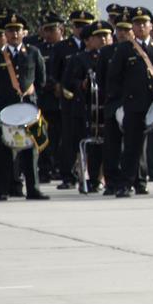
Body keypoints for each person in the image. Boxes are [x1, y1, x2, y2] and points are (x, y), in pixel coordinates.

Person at [106, 6, 153, 196]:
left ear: (151, 25)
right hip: (135, 104)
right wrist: (120, 103)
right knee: (132, 147)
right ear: (133, 26)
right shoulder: (125, 48)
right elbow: (113, 78)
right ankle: (125, 184)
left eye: (145, 23)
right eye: (137, 23)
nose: (141, 27)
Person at [0, 12, 48, 201]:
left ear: (24, 32)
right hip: (6, 109)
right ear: (5, 33)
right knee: (3, 151)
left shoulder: (33, 52)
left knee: (33, 150)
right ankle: (2, 190)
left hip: (29, 107)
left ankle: (33, 189)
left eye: (18, 30)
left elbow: (42, 79)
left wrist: (30, 93)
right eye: (11, 31)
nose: (14, 34)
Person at [62, 20, 113, 192]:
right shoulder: (80, 58)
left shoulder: (115, 54)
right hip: (86, 109)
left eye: (106, 35)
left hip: (107, 107)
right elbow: (68, 82)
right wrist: (81, 85)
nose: (104, 39)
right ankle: (89, 179)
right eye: (99, 36)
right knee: (90, 146)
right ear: (91, 39)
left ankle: (104, 178)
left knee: (109, 145)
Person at [52, 10, 94, 189]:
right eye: (78, 26)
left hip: (91, 101)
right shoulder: (62, 47)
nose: (81, 29)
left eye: (85, 26)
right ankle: (67, 175)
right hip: (70, 99)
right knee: (69, 138)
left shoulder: (97, 48)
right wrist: (59, 87)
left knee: (91, 138)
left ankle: (91, 176)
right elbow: (54, 74)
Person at [98, 8, 132, 195]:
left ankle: (136, 181)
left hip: (133, 104)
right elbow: (101, 78)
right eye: (119, 29)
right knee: (111, 146)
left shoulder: (138, 50)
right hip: (113, 103)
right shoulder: (106, 52)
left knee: (132, 147)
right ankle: (111, 182)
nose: (122, 33)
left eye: (126, 30)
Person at [34, 12, 65, 182]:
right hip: (43, 99)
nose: (47, 34)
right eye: (45, 30)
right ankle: (44, 169)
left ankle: (60, 167)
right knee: (41, 136)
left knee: (60, 137)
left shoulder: (66, 48)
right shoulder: (38, 48)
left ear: (61, 29)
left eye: (51, 29)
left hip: (60, 100)